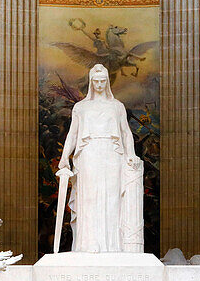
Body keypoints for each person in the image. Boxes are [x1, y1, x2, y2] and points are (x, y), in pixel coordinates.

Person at [57, 63, 144, 253]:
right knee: (89, 198)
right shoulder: (81, 107)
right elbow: (73, 134)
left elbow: (126, 133)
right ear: (91, 82)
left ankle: (113, 245)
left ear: (107, 82)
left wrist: (131, 154)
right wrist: (64, 157)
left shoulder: (117, 106)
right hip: (88, 154)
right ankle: (88, 244)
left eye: (103, 81)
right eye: (96, 81)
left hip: (113, 155)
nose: (99, 85)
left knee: (112, 198)